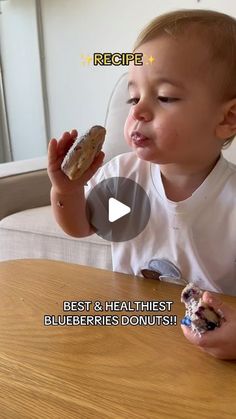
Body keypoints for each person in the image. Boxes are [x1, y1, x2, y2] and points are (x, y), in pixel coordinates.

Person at [48, 9, 236, 359]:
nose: (138, 112)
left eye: (164, 97)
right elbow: (81, 226)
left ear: (227, 118)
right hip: (130, 329)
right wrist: (67, 191)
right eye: (134, 98)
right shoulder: (122, 175)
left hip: (205, 351)